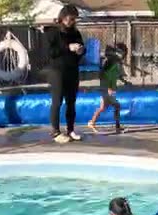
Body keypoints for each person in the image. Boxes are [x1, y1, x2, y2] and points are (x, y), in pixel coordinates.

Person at [47, 6, 84, 143]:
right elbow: (51, 52)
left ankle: (70, 129)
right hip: (57, 71)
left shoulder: (75, 33)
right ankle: (55, 132)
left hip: (72, 70)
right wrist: (68, 47)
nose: (71, 20)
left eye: (74, 18)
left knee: (71, 102)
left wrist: (80, 50)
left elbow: (82, 48)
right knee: (57, 102)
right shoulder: (53, 32)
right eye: (70, 17)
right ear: (63, 17)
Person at [89, 43, 128, 134]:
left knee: (103, 107)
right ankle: (117, 127)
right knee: (116, 106)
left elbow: (115, 74)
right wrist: (109, 88)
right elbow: (106, 75)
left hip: (105, 87)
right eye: (124, 53)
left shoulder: (115, 61)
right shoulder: (112, 61)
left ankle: (92, 122)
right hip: (106, 87)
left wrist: (123, 80)